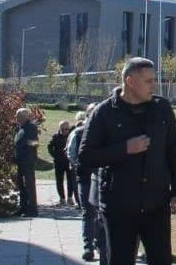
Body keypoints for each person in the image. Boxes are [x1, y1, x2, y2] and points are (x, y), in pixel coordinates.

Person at [78, 58, 176, 265]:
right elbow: (86, 156)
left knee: (162, 259)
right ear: (129, 81)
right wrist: (125, 149)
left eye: (154, 80)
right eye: (148, 81)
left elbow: (175, 151)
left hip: (156, 204)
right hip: (119, 206)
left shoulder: (161, 108)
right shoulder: (104, 112)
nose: (154, 86)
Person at [68, 106, 103, 262]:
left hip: (101, 178)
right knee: (88, 212)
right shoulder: (77, 132)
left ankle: (99, 242)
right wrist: (81, 166)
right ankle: (88, 246)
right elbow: (71, 154)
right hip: (85, 178)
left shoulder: (104, 133)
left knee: (101, 213)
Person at [13, 107, 39, 218]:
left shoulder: (30, 127)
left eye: (17, 116)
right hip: (20, 160)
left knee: (29, 185)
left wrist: (26, 144)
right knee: (21, 185)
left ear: (24, 117)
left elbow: (35, 142)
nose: (16, 118)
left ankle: (32, 209)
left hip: (27, 160)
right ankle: (23, 207)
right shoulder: (21, 127)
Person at [48, 119, 76, 205]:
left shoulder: (72, 135)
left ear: (69, 128)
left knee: (70, 180)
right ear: (60, 129)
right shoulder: (56, 136)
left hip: (69, 161)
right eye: (62, 129)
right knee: (59, 180)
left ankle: (70, 198)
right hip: (59, 162)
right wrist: (55, 155)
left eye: (66, 129)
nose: (64, 131)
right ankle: (62, 198)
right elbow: (49, 147)